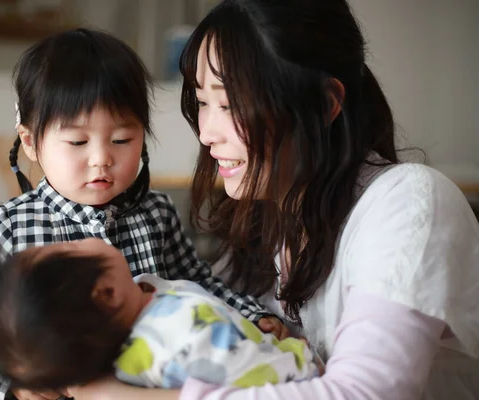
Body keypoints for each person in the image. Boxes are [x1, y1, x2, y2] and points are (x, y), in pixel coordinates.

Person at [64, 0, 479, 399]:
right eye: (204, 102)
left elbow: (363, 394)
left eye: (229, 104)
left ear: (324, 102)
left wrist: (109, 395)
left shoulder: (410, 202)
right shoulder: (266, 219)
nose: (207, 132)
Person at [0, 28, 283, 400]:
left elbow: (195, 283)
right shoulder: (10, 227)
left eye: (122, 139)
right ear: (31, 142)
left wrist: (250, 314)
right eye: (77, 142)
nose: (101, 158)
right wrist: (16, 383)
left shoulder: (155, 213)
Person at [0, 238, 320, 393]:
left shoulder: (139, 311)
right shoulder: (182, 330)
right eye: (70, 246)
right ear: (106, 293)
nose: (79, 239)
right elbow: (260, 383)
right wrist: (299, 355)